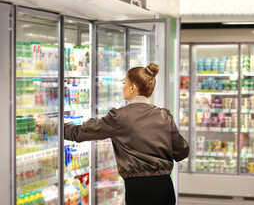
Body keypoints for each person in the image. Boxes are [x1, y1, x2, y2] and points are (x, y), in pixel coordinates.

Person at [35, 62, 189, 205]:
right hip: (165, 188)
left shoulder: (119, 117)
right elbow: (182, 152)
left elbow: (79, 133)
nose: (122, 87)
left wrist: (48, 124)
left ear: (133, 88)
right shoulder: (164, 116)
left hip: (139, 190)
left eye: (124, 83)